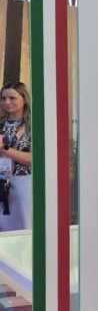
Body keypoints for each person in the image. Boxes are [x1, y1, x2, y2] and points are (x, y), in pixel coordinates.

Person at [0, 81, 31, 231]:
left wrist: (4, 149)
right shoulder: (1, 124)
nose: (7, 102)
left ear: (24, 99)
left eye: (12, 98)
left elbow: (34, 159)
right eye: (3, 98)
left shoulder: (32, 126)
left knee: (24, 225)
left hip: (24, 184)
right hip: (2, 182)